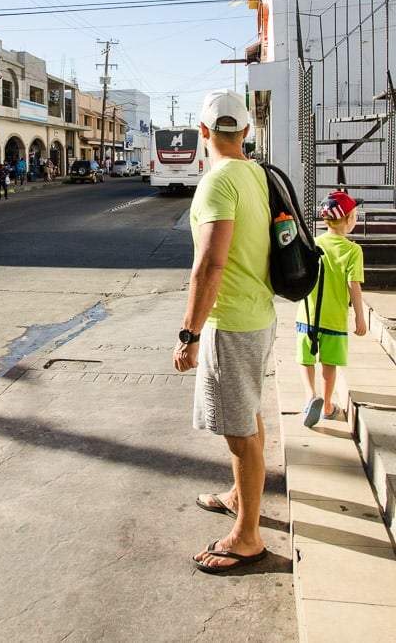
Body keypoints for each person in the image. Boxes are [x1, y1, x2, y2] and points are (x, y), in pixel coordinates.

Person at [173, 89, 276, 575]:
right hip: (258, 314)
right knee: (248, 416)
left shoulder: (217, 182)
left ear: (204, 132)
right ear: (248, 133)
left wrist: (189, 333)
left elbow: (209, 264)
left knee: (238, 432)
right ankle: (240, 495)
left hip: (232, 322)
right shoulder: (255, 173)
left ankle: (248, 536)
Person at [298, 190, 366, 428]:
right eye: (354, 215)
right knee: (329, 363)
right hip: (334, 318)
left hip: (307, 315)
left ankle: (309, 396)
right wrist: (359, 316)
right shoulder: (352, 250)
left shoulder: (315, 243)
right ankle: (326, 405)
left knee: (306, 359)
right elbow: (353, 284)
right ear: (348, 220)